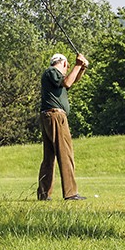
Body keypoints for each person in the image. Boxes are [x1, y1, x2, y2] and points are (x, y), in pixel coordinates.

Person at [37, 52, 89, 201]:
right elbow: (67, 82)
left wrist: (81, 68)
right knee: (65, 154)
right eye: (67, 67)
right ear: (64, 63)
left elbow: (71, 82)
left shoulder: (53, 77)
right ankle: (70, 192)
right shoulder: (52, 72)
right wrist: (78, 64)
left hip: (48, 116)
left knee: (49, 158)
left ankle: (44, 193)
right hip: (56, 117)